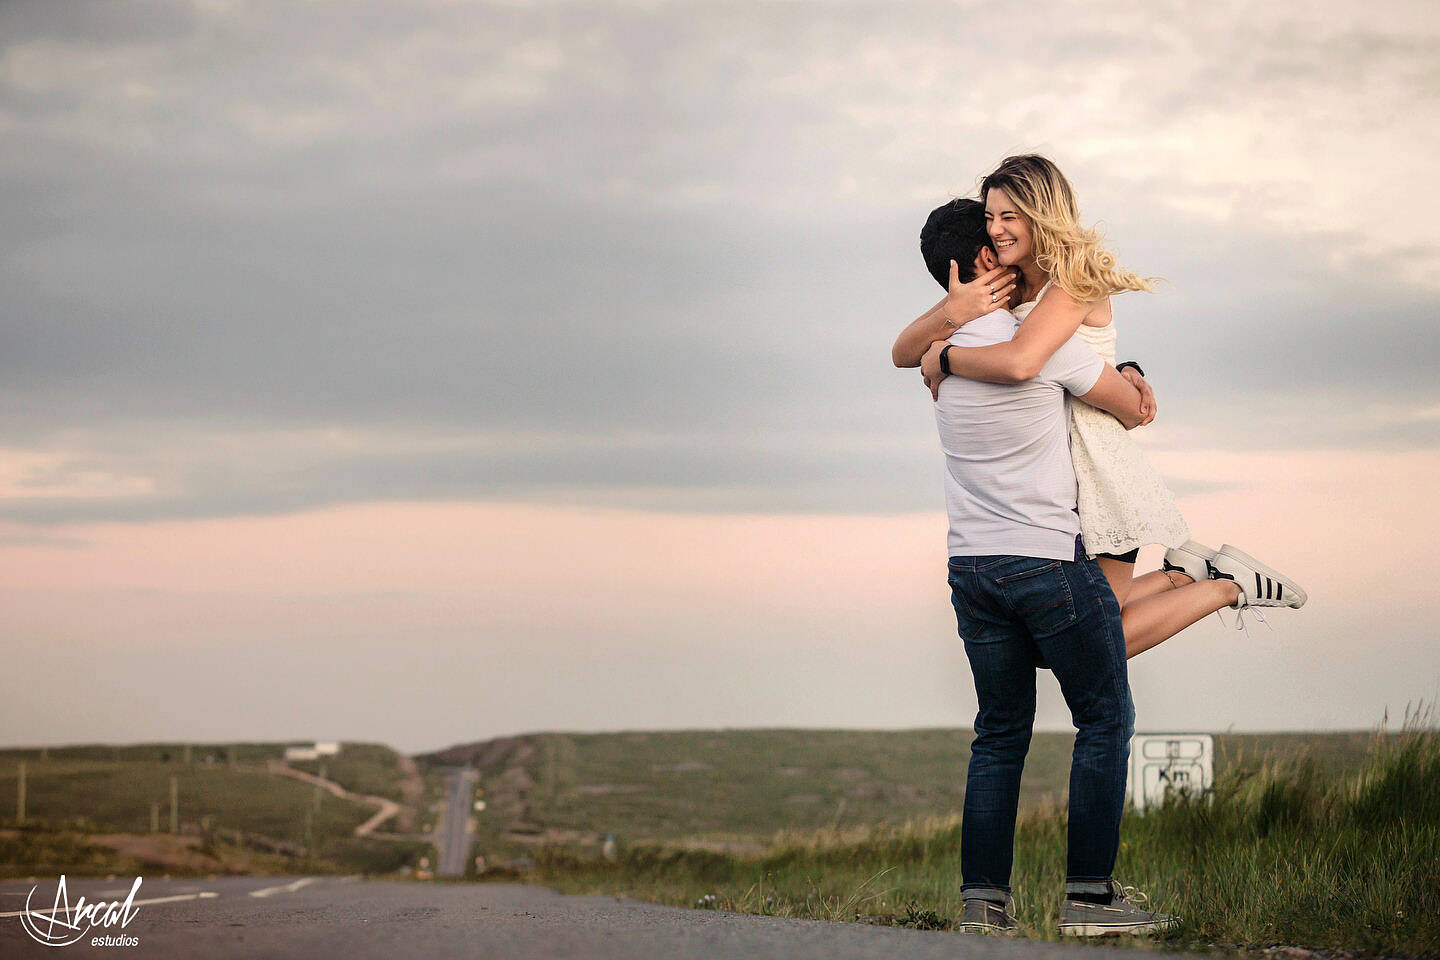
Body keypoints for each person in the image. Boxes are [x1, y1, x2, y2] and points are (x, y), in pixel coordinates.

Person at [895, 195, 1184, 935]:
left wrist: (944, 333)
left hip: (971, 566)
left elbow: (907, 347)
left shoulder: (938, 362)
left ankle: (983, 905)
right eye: (994, 235)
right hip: (1046, 558)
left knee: (999, 732)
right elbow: (1129, 408)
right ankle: (1090, 900)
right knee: (1105, 717)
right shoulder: (1038, 345)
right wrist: (1132, 375)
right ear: (985, 262)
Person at [895, 156, 1306, 660]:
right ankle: (1187, 575)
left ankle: (1229, 587)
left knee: (1084, 644)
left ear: (1041, 213)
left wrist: (948, 356)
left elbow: (1026, 361)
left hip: (1098, 470)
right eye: (991, 217)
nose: (997, 230)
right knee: (1078, 626)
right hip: (1055, 477)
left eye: (1011, 216)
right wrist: (950, 315)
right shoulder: (1006, 285)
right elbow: (900, 352)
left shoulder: (1074, 278)